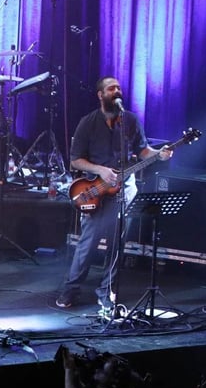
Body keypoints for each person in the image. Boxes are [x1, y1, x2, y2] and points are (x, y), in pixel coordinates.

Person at [55, 76, 172, 314]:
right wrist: (100, 170)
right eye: (111, 88)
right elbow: (75, 159)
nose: (117, 91)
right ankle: (71, 289)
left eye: (118, 87)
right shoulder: (88, 122)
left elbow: (143, 150)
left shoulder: (129, 120)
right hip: (96, 190)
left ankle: (107, 292)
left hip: (126, 188)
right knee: (88, 243)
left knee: (118, 244)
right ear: (101, 95)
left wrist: (158, 155)